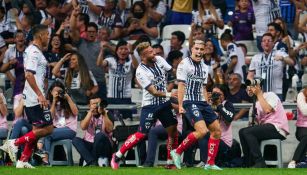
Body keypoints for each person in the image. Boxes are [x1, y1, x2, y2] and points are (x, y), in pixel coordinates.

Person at [111, 42, 178, 170]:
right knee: (141, 134)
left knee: (173, 130)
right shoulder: (140, 71)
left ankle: (170, 162)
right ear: (143, 56)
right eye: (150, 52)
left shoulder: (158, 59)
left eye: (153, 51)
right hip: (150, 105)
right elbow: (154, 92)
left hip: (164, 104)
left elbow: (172, 71)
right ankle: (118, 155)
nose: (154, 54)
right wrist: (171, 94)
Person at [0, 24, 53, 169]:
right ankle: (13, 143)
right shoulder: (34, 53)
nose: (49, 37)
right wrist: (40, 95)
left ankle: (23, 160)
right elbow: (29, 74)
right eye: (47, 34)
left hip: (31, 96)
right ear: (40, 36)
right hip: (34, 97)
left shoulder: (32, 51)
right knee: (49, 129)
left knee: (37, 130)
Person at [170, 40, 222, 170]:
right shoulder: (184, 64)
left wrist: (207, 104)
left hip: (202, 102)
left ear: (204, 51)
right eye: (196, 49)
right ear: (191, 49)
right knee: (202, 131)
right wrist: (181, 105)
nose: (199, 52)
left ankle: (210, 163)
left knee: (216, 130)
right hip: (189, 101)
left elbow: (203, 88)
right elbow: (181, 85)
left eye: (201, 49)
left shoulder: (205, 67)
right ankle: (176, 152)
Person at [239, 79, 289, 168]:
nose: (249, 89)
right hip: (266, 128)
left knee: (247, 132)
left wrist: (259, 94)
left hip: (277, 127)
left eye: (252, 86)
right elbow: (253, 126)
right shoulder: (253, 106)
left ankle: (259, 162)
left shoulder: (270, 95)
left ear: (259, 87)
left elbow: (267, 110)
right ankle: (248, 162)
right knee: (242, 131)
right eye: (248, 87)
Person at [39, 80, 78, 165]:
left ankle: (46, 158)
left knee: (47, 134)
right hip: (56, 129)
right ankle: (46, 158)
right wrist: (54, 101)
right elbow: (50, 118)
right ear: (50, 92)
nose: (57, 93)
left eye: (60, 91)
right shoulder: (48, 103)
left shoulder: (68, 101)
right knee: (45, 133)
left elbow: (76, 112)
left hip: (70, 130)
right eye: (55, 91)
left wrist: (68, 98)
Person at [197, 84, 235, 167]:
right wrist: (206, 102)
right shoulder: (207, 106)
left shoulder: (227, 104)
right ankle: (187, 162)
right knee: (195, 133)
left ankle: (205, 162)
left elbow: (229, 119)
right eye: (214, 93)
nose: (215, 96)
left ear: (224, 95)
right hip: (210, 139)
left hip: (224, 142)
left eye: (218, 94)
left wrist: (219, 105)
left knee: (205, 134)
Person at [247, 33, 294, 99]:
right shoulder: (255, 57)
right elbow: (250, 76)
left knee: (276, 109)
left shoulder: (280, 53)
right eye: (264, 41)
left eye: (269, 41)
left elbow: (292, 62)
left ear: (273, 44)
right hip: (260, 92)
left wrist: (283, 58)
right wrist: (251, 87)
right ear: (261, 44)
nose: (266, 42)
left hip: (276, 92)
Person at [72, 97, 114, 167]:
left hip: (103, 144)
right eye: (93, 104)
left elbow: (110, 129)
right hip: (89, 142)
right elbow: (83, 127)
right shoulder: (86, 113)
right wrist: (90, 112)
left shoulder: (107, 113)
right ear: (89, 105)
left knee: (99, 135)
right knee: (75, 140)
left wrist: (104, 114)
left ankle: (91, 160)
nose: (95, 106)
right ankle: (92, 162)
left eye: (97, 104)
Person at [288, 80, 307, 168]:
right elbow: (304, 111)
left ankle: (301, 162)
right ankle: (294, 160)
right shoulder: (301, 95)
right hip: (303, 128)